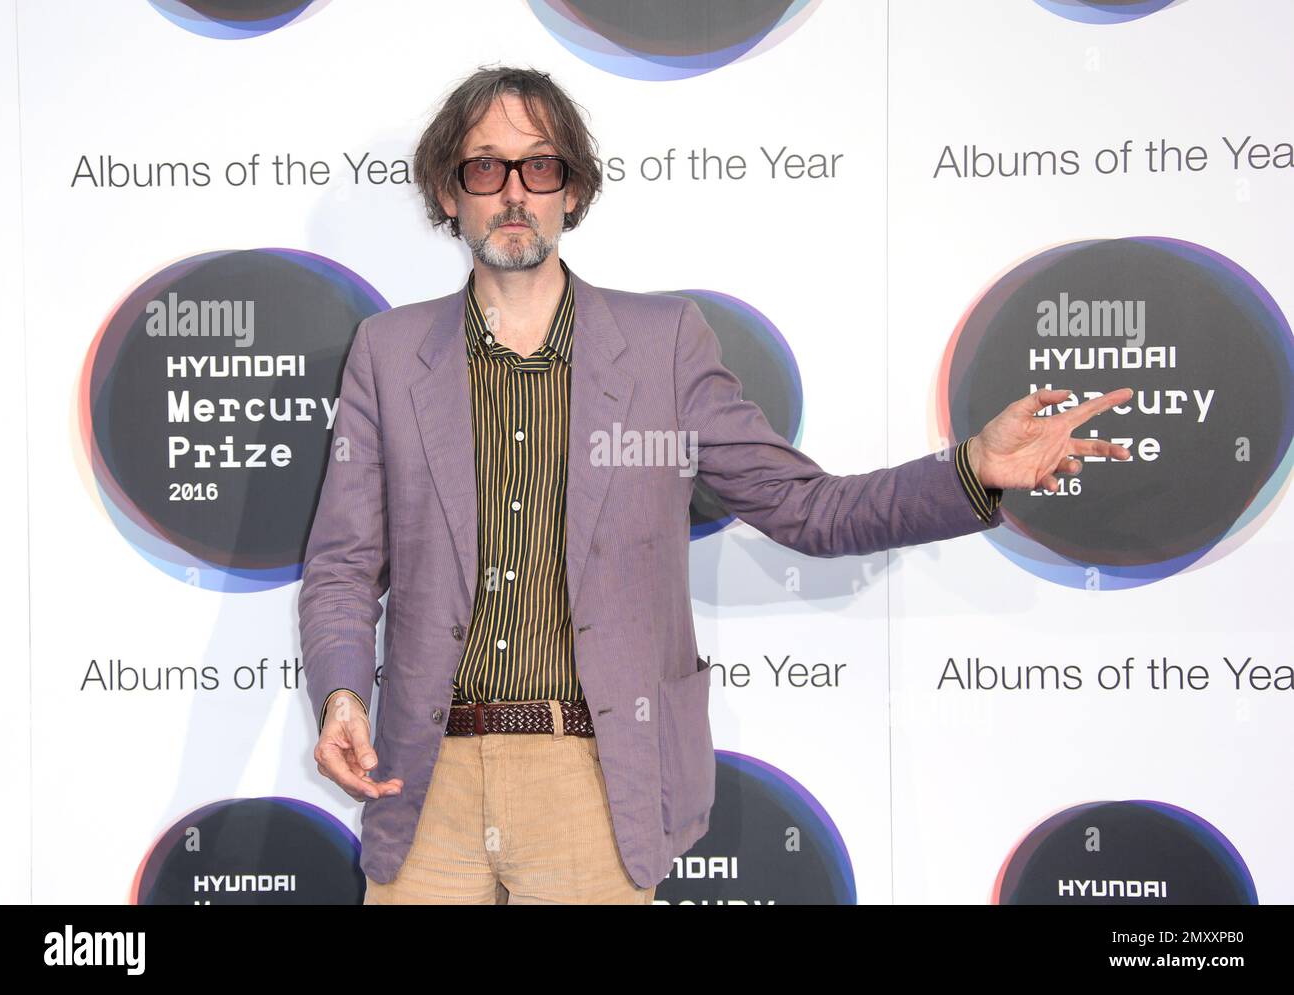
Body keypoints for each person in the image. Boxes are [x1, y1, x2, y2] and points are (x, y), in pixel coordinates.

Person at [298, 66, 1133, 905]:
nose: (514, 192)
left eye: (540, 166)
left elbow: (807, 508)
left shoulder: (664, 344)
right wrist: (340, 691)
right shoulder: (389, 352)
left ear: (573, 191)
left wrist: (970, 468)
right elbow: (342, 561)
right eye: (485, 168)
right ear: (449, 194)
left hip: (596, 779)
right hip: (425, 781)